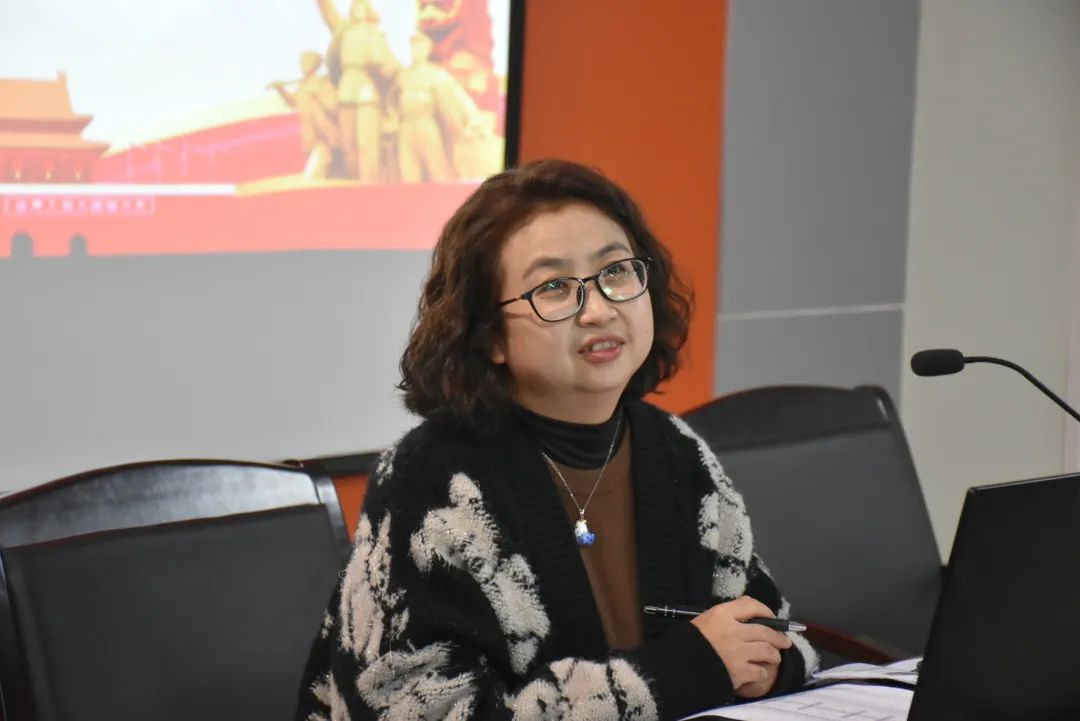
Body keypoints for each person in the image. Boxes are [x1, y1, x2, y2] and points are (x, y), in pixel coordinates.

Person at [294, 159, 818, 721]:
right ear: (489, 335)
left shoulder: (674, 448)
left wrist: (770, 666)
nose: (599, 309)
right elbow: (419, 711)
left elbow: (768, 622)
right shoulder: (431, 480)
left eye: (616, 272)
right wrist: (679, 675)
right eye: (555, 288)